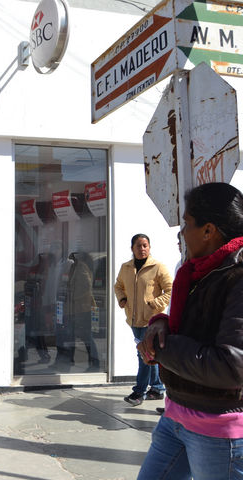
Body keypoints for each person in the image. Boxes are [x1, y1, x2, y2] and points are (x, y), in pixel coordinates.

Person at [137, 182, 243, 478]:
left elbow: (231, 366)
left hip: (219, 431)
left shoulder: (237, 277)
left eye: (187, 224)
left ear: (208, 230)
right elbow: (195, 326)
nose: (182, 232)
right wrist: (161, 324)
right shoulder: (200, 270)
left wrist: (161, 347)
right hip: (176, 415)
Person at [114, 233, 173, 406]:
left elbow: (170, 290)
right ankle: (157, 388)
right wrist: (122, 299)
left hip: (151, 321)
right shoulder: (126, 267)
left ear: (150, 247)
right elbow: (118, 285)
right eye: (138, 246)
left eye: (145, 245)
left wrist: (155, 304)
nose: (142, 249)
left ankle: (139, 392)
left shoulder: (158, 267)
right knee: (150, 354)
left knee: (144, 355)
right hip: (134, 319)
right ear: (132, 248)